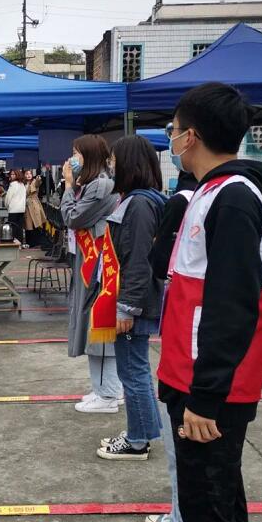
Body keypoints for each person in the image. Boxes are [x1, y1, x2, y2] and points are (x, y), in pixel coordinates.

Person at [158, 82, 262, 522]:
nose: (170, 138)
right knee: (217, 501)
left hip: (209, 389)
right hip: (193, 376)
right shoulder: (213, 191)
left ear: (190, 136)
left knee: (209, 511)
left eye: (172, 130)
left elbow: (232, 304)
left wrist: (206, 396)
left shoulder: (233, 198)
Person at [95, 136, 167, 461]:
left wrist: (126, 308)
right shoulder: (140, 200)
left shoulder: (138, 205)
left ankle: (137, 441)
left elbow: (138, 260)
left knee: (132, 371)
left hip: (132, 303)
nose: (111, 167)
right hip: (134, 299)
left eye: (114, 161)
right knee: (136, 370)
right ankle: (142, 432)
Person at [144, 170, 198, 522]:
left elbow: (158, 258)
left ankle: (182, 514)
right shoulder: (231, 195)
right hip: (197, 336)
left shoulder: (184, 200)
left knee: (184, 435)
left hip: (188, 335)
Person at [60, 135, 124, 413]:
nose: (72, 159)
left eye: (77, 153)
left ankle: (108, 394)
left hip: (97, 267)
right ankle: (103, 389)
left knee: (98, 327)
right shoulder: (93, 184)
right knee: (92, 326)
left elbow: (72, 218)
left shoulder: (100, 185)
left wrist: (67, 185)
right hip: (91, 263)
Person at [23, 169, 46, 248]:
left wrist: (38, 178)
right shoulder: (24, 184)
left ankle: (36, 242)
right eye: (27, 174)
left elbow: (38, 183)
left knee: (36, 224)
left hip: (34, 205)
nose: (28, 175)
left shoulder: (34, 182)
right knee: (28, 225)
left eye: (30, 173)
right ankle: (29, 242)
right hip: (27, 206)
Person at [4, 169, 26, 243]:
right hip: (21, 209)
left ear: (17, 175)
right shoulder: (22, 185)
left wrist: (7, 206)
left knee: (13, 228)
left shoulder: (12, 185)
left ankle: (14, 243)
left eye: (14, 174)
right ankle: (19, 243)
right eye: (11, 174)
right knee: (19, 228)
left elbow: (8, 198)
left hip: (13, 210)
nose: (12, 176)